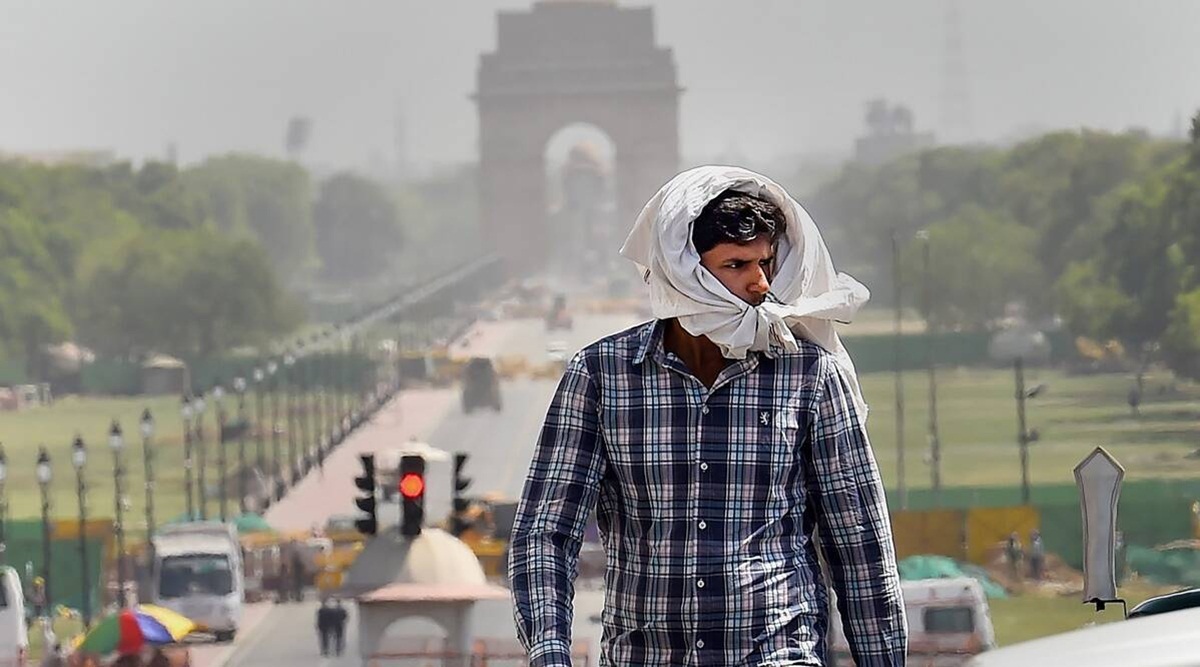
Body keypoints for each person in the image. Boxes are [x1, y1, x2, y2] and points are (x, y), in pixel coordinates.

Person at [509, 166, 906, 666]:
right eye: (736, 265)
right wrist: (549, 653)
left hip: (778, 652)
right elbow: (546, 533)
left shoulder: (808, 376)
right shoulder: (602, 377)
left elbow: (859, 544)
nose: (760, 284)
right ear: (685, 271)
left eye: (764, 262)